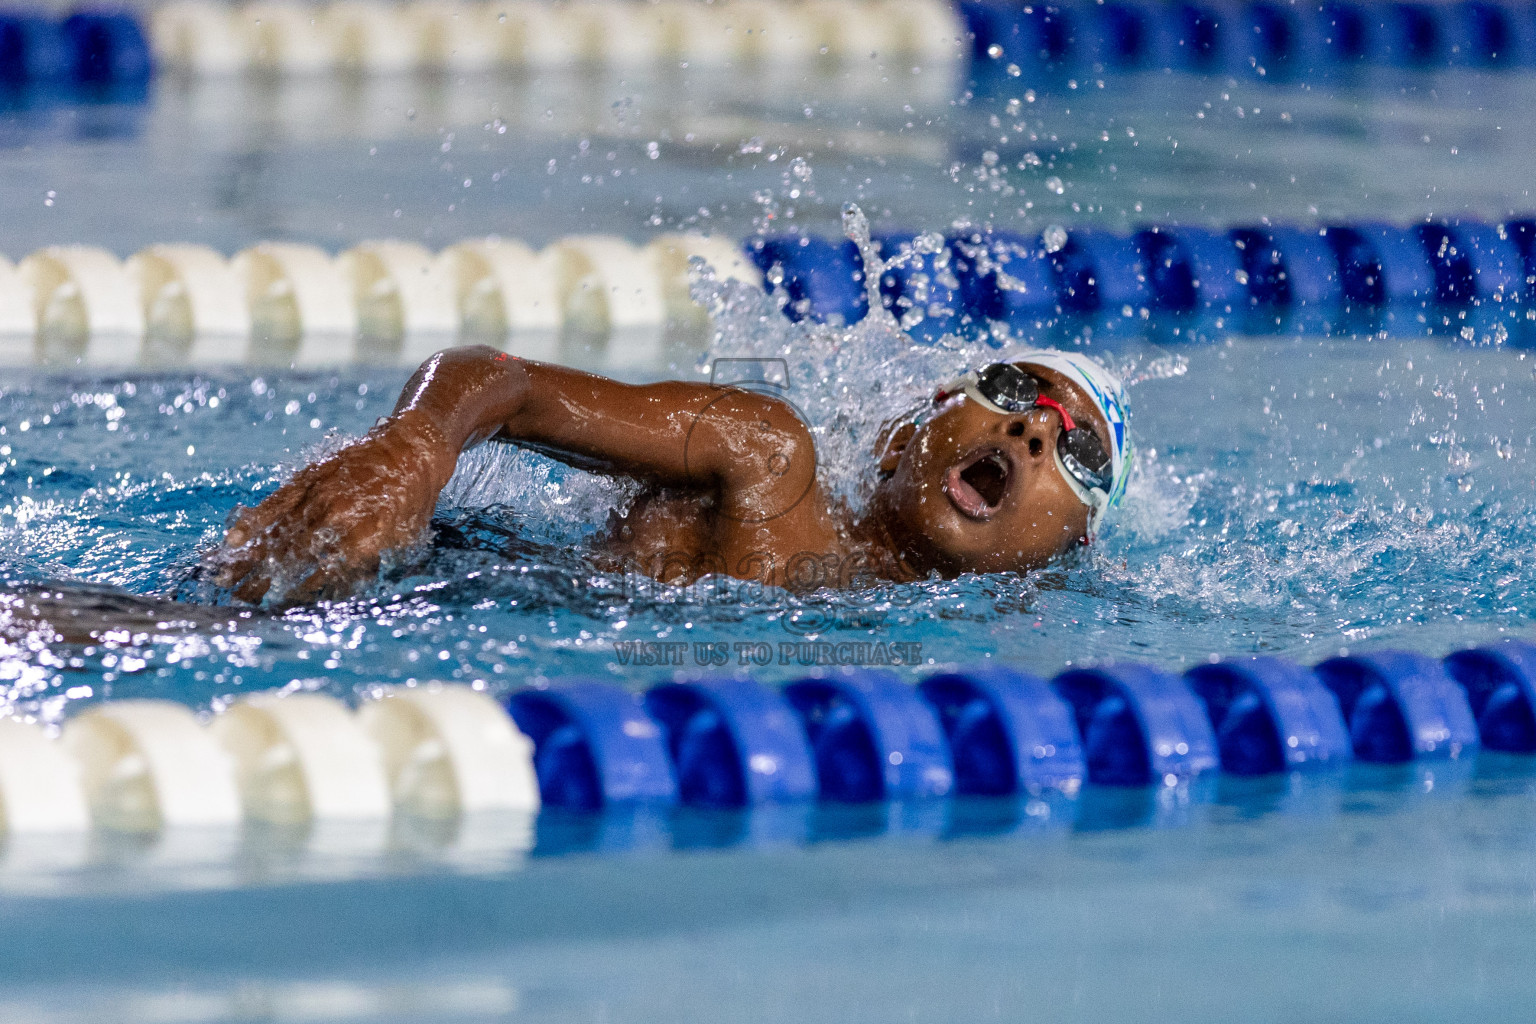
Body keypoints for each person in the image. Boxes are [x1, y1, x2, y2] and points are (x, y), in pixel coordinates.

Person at [203, 344, 1131, 607]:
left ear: (1065, 553)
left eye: (1080, 450)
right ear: (899, 436)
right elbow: (504, 384)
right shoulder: (766, 458)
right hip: (381, 582)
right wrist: (407, 450)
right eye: (1014, 388)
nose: (1033, 428)